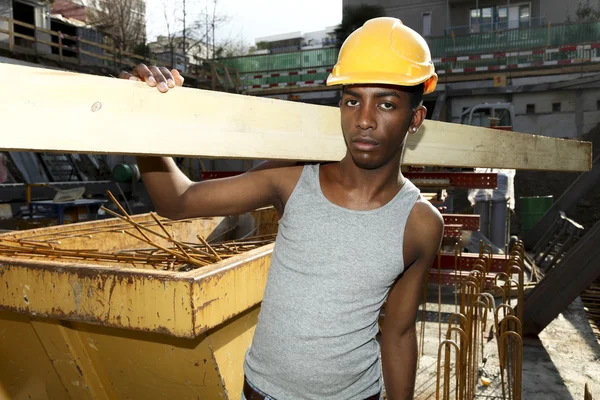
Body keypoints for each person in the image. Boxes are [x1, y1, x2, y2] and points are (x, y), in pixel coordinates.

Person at [121, 17, 443, 400]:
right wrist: (141, 115)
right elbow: (177, 201)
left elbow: (400, 332)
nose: (365, 120)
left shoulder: (419, 224)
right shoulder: (293, 179)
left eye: (386, 103)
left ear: (415, 119)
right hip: (263, 393)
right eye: (352, 100)